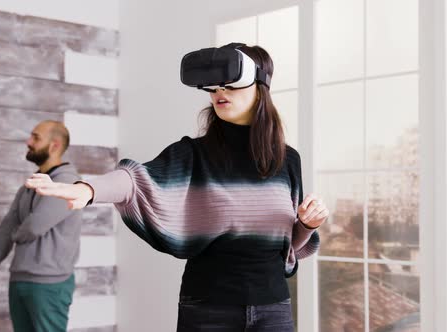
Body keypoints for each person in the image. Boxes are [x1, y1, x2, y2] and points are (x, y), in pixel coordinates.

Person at [25, 44, 329, 332]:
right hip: (209, 307)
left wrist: (306, 224)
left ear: (260, 87)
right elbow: (134, 180)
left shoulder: (287, 160)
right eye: (214, 85)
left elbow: (287, 247)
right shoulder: (194, 153)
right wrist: (88, 189)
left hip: (273, 308)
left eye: (232, 83)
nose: (220, 92)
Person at [0, 121, 82, 332]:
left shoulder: (67, 184)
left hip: (49, 285)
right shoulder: (30, 185)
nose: (28, 142)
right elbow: (5, 229)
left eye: (36, 137)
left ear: (54, 145)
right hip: (19, 280)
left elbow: (34, 226)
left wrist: (15, 233)